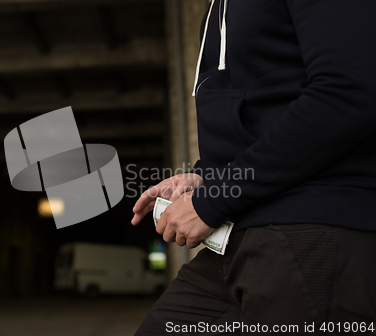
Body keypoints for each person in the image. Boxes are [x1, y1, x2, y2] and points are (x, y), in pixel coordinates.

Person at [132, 0, 376, 334]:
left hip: (310, 231)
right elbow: (264, 110)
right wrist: (207, 176)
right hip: (237, 236)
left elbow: (349, 93)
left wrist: (214, 199)